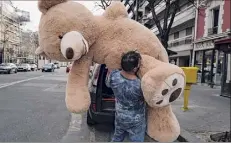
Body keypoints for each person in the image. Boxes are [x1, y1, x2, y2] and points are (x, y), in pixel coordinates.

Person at [105, 50, 146, 142]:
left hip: (120, 116)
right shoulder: (141, 85)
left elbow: (107, 84)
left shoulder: (113, 76)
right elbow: (146, 99)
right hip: (136, 121)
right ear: (135, 69)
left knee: (117, 138)